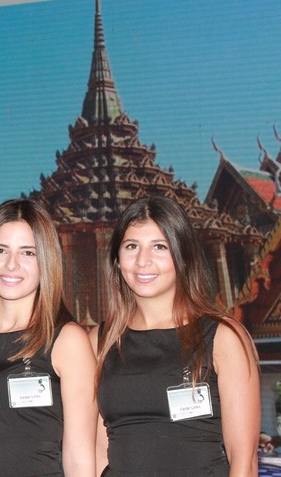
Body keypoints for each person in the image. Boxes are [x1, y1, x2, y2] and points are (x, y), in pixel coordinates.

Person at [90, 196, 260, 476]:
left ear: (183, 256)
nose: (143, 261)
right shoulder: (99, 340)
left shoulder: (223, 336)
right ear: (117, 260)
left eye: (159, 246)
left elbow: (244, 460)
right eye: (131, 246)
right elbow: (97, 453)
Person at [0, 199, 97, 476]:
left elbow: (80, 459)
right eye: (0, 250)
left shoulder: (67, 340)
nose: (11, 265)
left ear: (46, 261)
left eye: (28, 253)